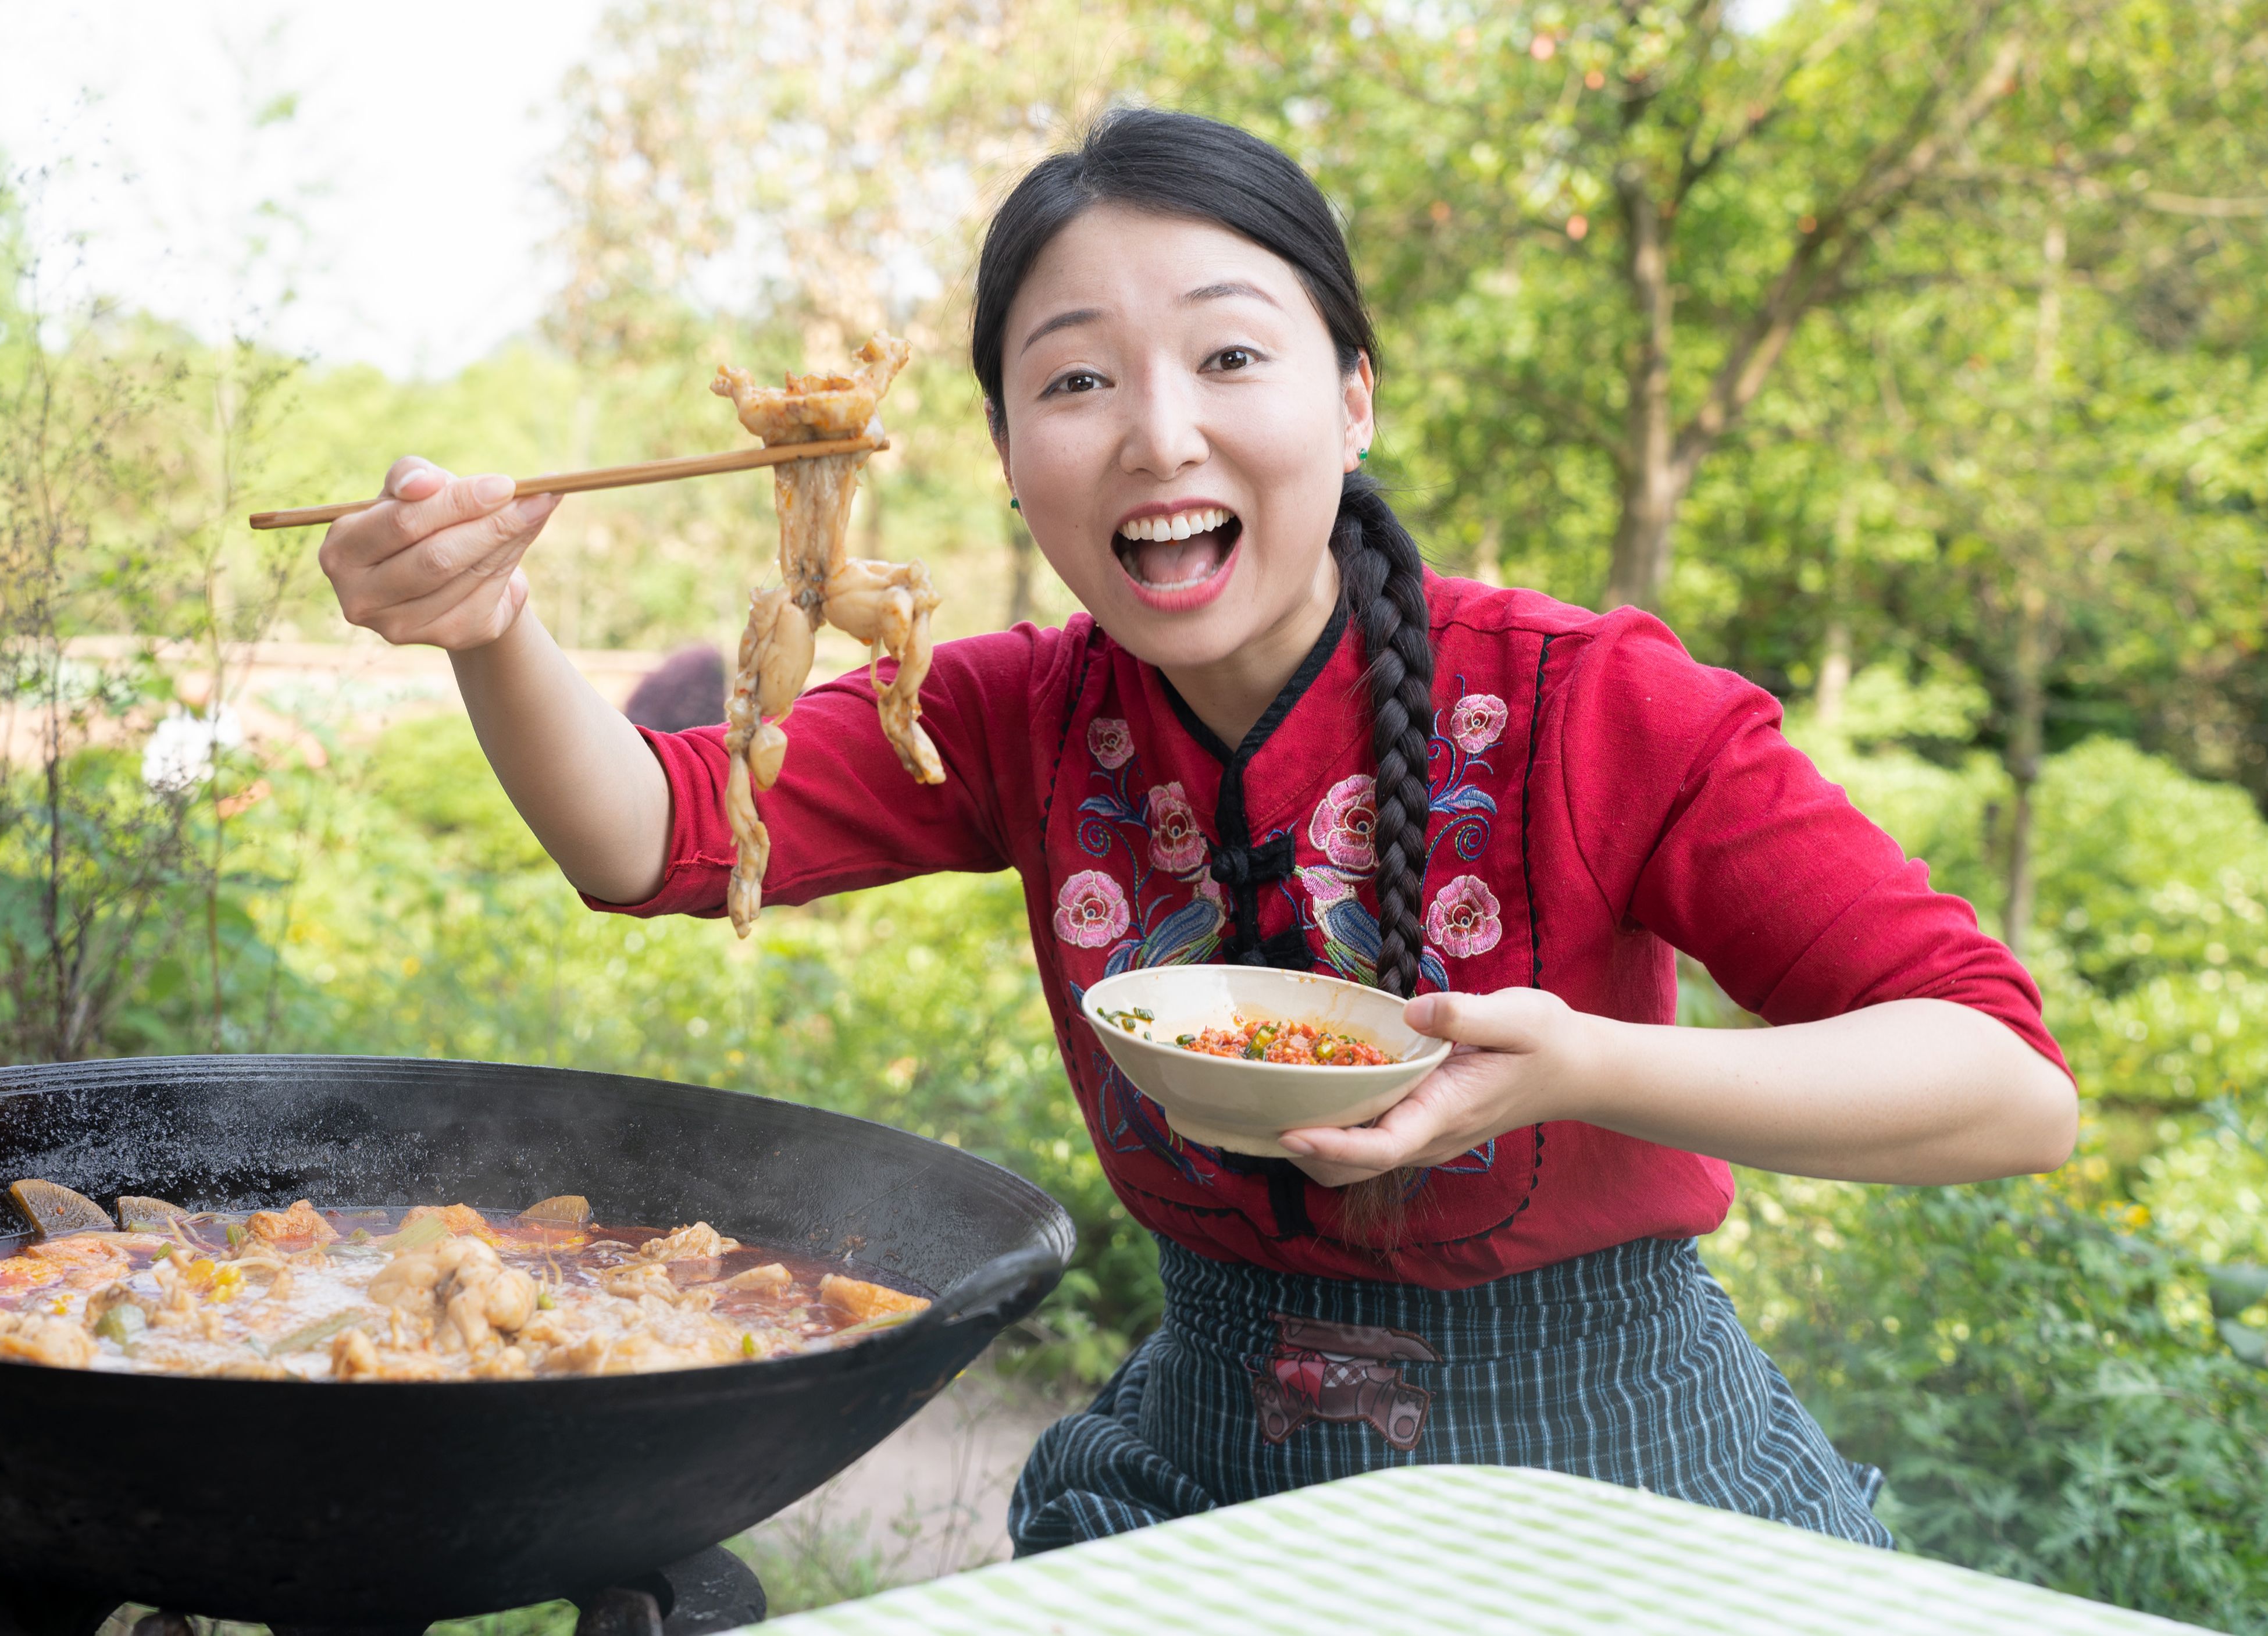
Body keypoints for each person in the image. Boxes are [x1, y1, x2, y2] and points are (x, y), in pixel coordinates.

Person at [317, 109, 2074, 1552]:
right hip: (1205, 1450)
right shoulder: (1013, 707)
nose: (1159, 434)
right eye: (1073, 381)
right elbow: (659, 837)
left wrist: (1579, 1067)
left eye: (1231, 354)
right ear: (1008, 451)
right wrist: (493, 627)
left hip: (1612, 1465)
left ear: (1353, 399)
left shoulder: (1593, 704)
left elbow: (2003, 1086)